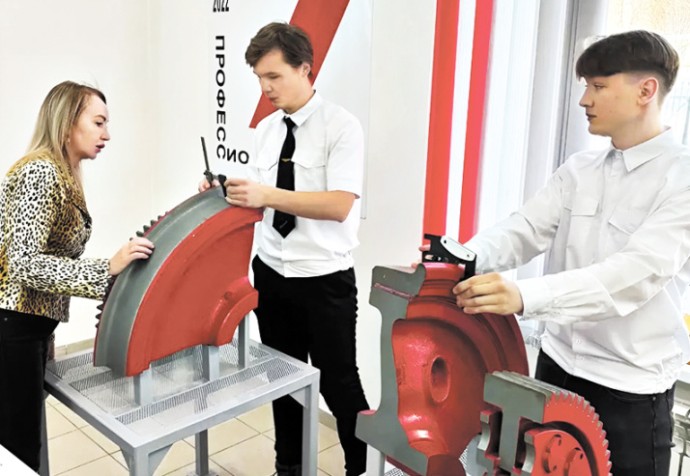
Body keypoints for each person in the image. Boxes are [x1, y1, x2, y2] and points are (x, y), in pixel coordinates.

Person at [452, 30, 687, 475]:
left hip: (627, 390)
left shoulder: (681, 179)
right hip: (556, 369)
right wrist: (463, 258)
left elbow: (634, 274)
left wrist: (525, 296)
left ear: (646, 91)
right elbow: (525, 229)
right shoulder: (580, 169)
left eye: (598, 86)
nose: (584, 100)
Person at [201, 22, 369, 476]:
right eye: (259, 77)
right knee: (283, 382)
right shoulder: (266, 130)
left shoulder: (341, 126)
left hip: (324, 279)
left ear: (304, 68)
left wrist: (266, 194)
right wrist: (225, 191)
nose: (266, 88)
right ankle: (288, 467)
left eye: (273, 76)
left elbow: (339, 205)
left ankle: (361, 469)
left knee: (340, 384)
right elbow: (258, 200)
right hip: (272, 274)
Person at [0, 81, 155, 472]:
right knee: (18, 450)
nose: (107, 134)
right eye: (98, 122)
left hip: (27, 326)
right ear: (68, 123)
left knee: (22, 439)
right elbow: (23, 264)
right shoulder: (41, 172)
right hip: (12, 328)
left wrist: (47, 333)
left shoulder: (62, 173)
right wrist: (106, 269)